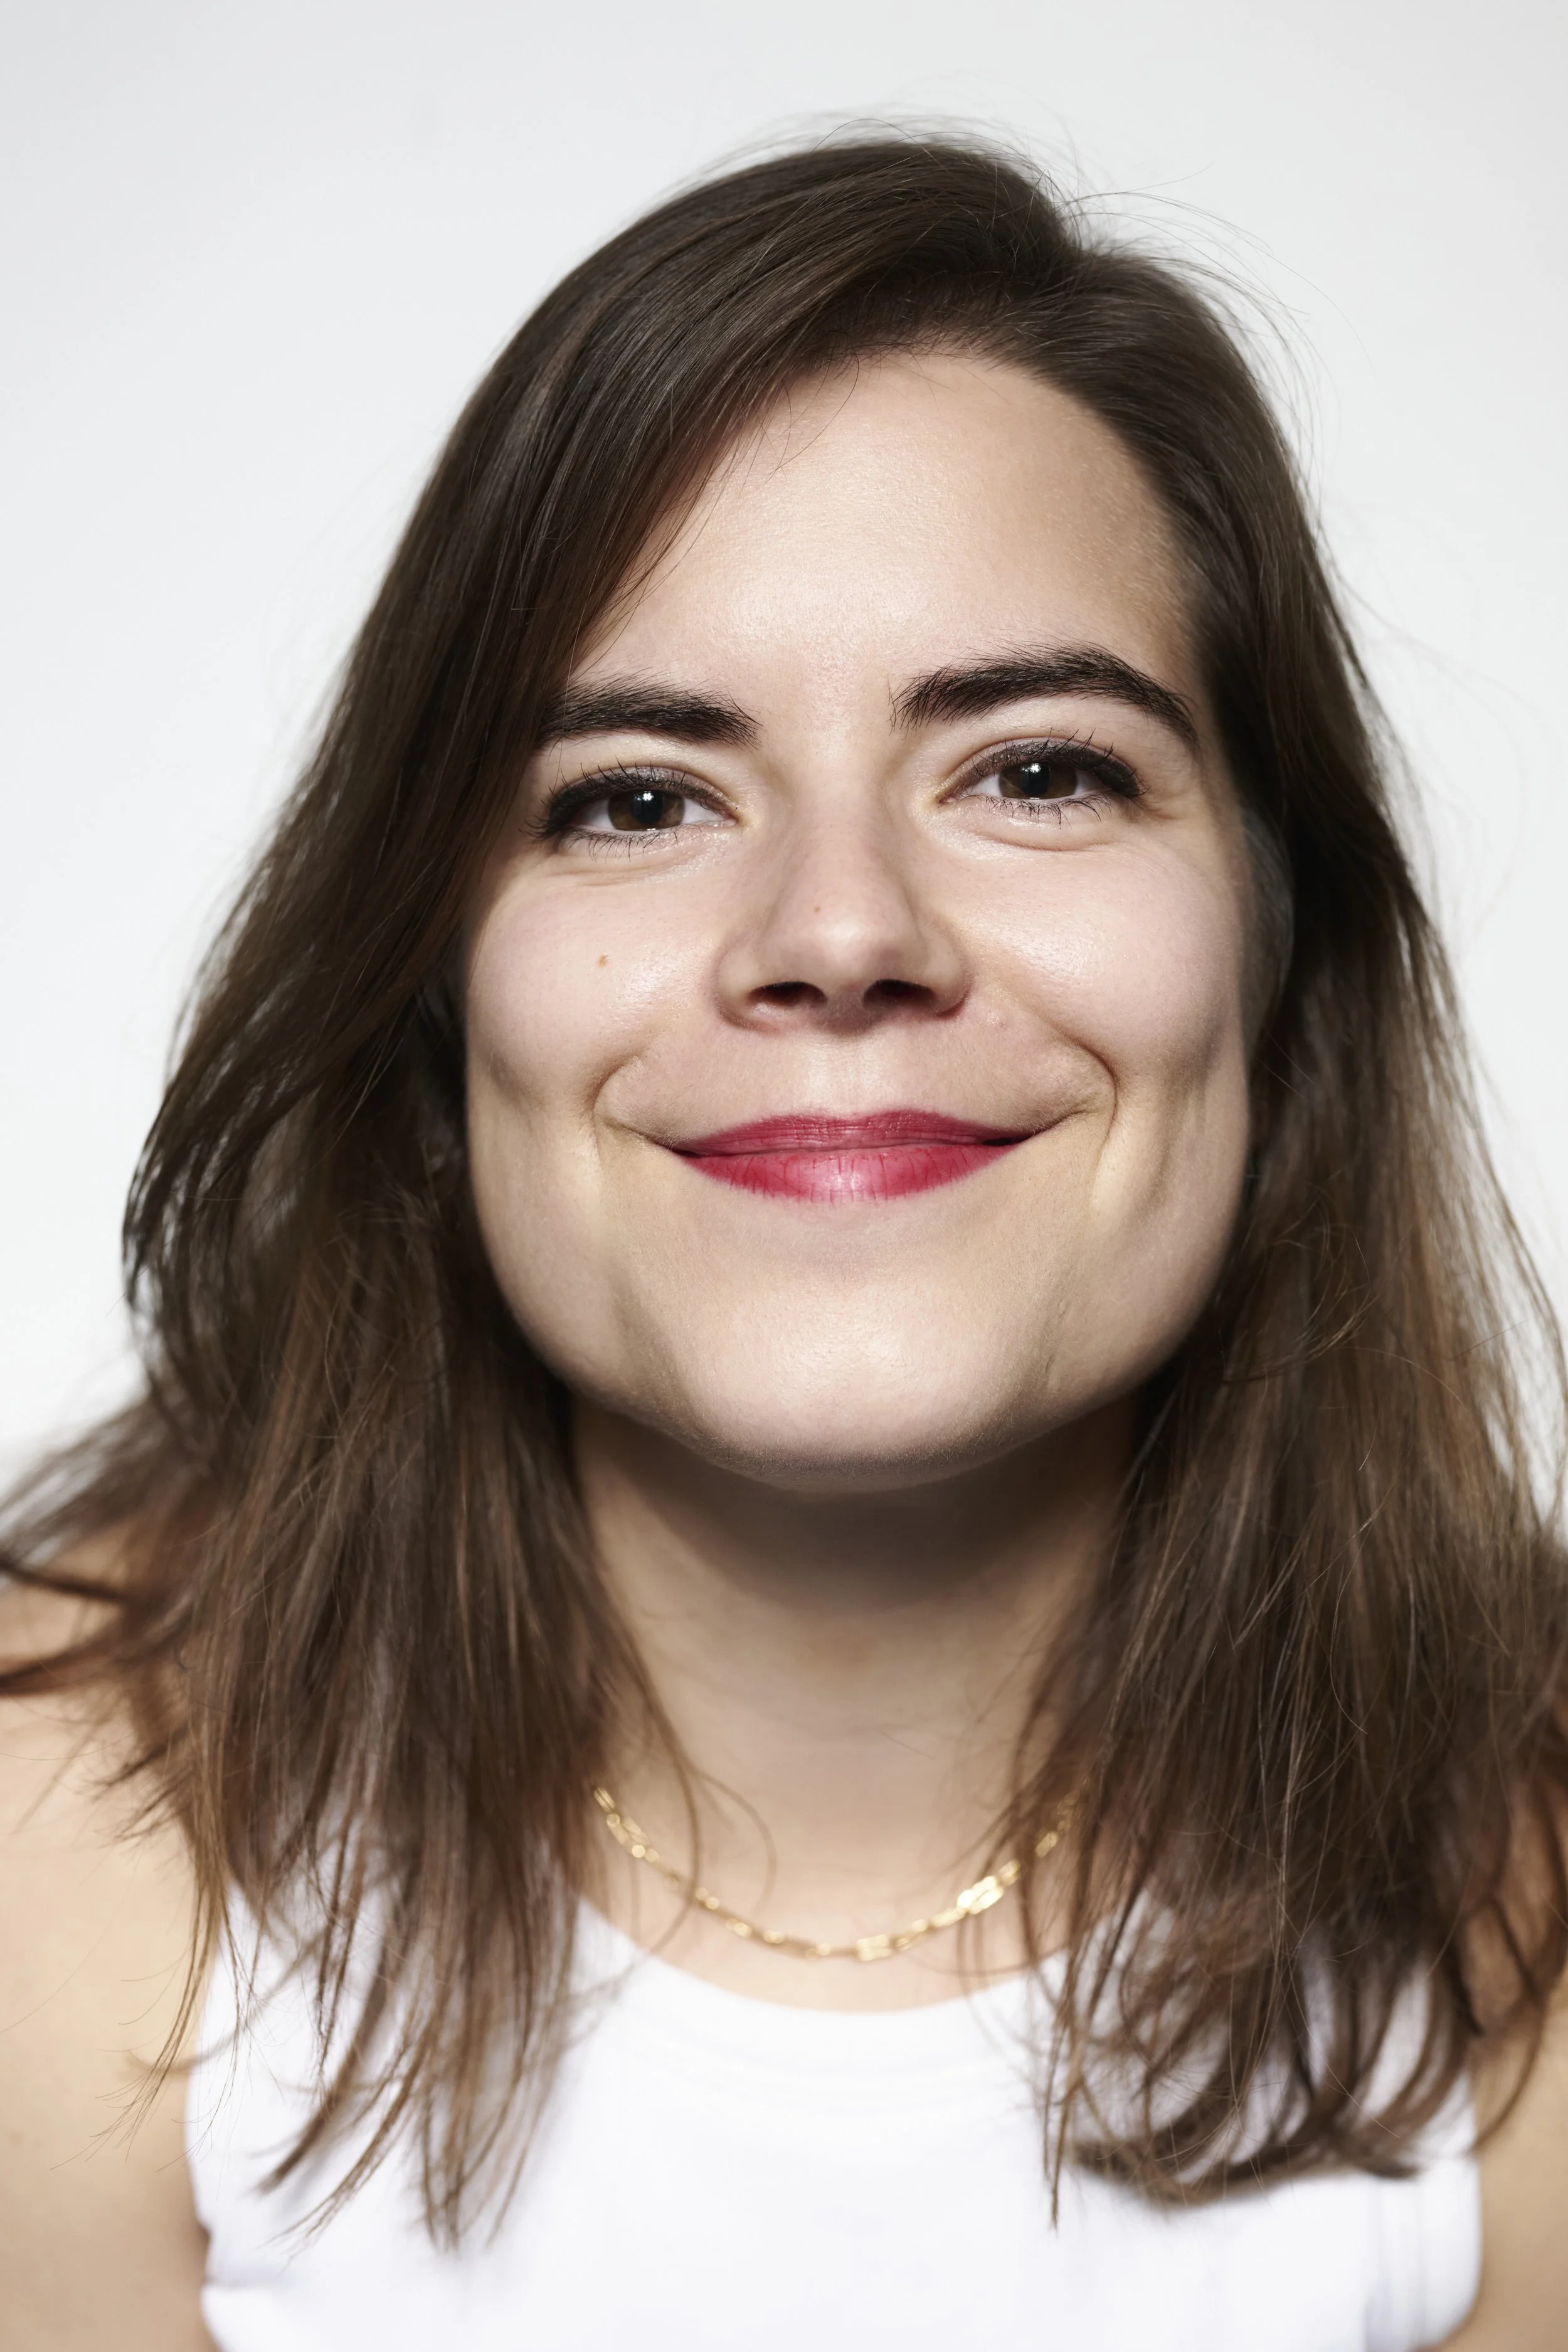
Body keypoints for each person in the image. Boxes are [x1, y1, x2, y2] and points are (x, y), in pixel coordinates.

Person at [3, 130, 1566, 2351]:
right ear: (438, 991)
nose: (839, 932)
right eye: (637, 796)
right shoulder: (45, 1838)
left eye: (1036, 768)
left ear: (1275, 946)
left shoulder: (1532, 1864)